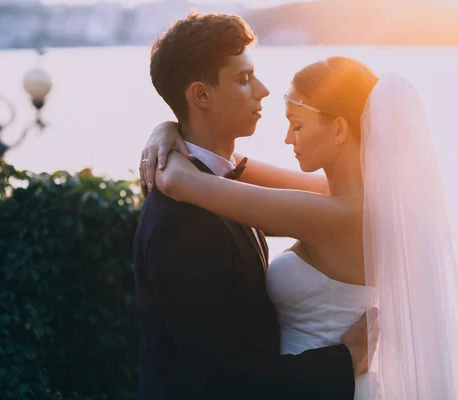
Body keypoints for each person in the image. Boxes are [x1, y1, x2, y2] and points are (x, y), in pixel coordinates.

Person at [141, 53, 458, 398]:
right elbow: (234, 166)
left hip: (322, 387)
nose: (287, 138)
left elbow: (183, 182)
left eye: (297, 125)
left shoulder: (340, 216)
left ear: (339, 130)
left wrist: (168, 149)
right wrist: (168, 127)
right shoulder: (357, 199)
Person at [133, 12, 376, 400]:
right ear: (201, 95)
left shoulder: (203, 186)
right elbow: (217, 380)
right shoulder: (182, 220)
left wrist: (169, 133)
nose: (262, 90)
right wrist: (345, 360)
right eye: (244, 79)